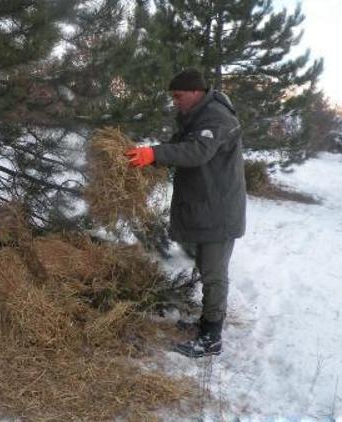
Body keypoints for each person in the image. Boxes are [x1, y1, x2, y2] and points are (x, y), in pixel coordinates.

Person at [125, 67, 246, 358]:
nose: (175, 101)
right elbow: (181, 146)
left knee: (214, 274)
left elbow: (196, 152)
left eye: (178, 96)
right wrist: (149, 155)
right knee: (208, 271)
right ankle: (206, 323)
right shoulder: (197, 116)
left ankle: (212, 338)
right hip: (208, 207)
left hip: (220, 211)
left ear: (195, 92)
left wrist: (155, 154)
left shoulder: (217, 117)